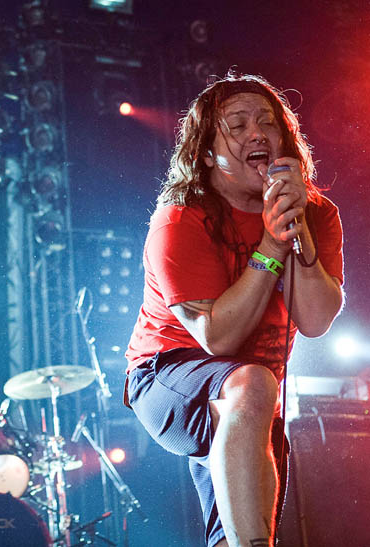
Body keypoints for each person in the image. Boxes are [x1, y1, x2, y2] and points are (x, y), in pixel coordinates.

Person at [125, 73, 343, 547]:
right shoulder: (181, 218)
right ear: (206, 154)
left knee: (245, 527)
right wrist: (269, 244)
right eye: (238, 125)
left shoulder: (316, 213)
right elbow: (216, 338)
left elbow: (316, 319)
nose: (258, 133)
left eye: (268, 123)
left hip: (252, 395)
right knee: (250, 383)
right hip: (167, 373)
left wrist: (296, 231)